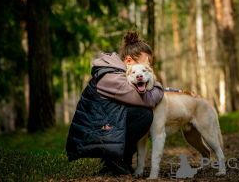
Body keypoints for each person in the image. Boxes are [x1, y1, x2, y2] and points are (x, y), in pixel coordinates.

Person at [66, 31, 165, 176]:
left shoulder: (118, 72)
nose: (143, 73)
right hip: (95, 131)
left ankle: (121, 158)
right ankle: (115, 159)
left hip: (105, 126)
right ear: (129, 61)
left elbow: (144, 91)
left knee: (139, 113)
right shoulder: (111, 77)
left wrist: (176, 91)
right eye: (144, 66)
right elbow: (146, 99)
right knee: (143, 115)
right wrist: (159, 86)